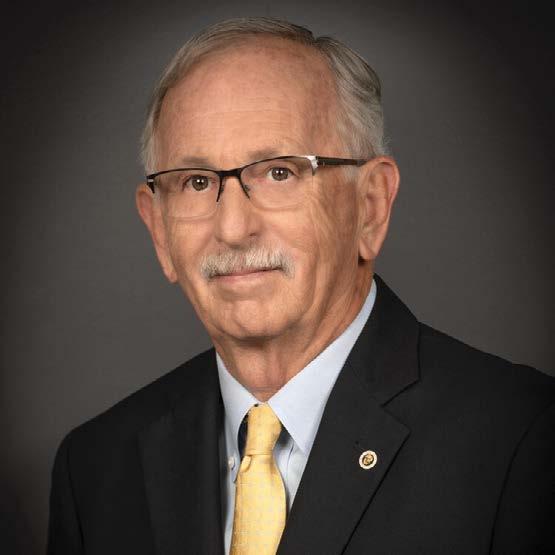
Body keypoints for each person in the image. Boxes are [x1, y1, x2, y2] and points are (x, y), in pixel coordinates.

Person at [47, 17, 554, 555]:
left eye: (279, 172)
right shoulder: (96, 467)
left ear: (370, 206)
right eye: (196, 182)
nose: (233, 228)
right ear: (159, 231)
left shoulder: (525, 440)